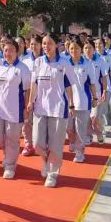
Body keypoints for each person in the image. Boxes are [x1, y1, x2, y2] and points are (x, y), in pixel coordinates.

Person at [27, 34, 73, 188]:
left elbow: (69, 86)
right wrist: (30, 101)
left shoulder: (64, 63)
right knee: (37, 143)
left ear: (56, 45)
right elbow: (34, 84)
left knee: (55, 144)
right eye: (44, 43)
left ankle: (53, 173)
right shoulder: (38, 62)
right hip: (40, 108)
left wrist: (71, 104)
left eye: (49, 43)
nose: (46, 46)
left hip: (58, 108)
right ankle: (46, 161)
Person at [0, 40, 31, 179]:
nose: (8, 53)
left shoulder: (23, 69)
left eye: (11, 50)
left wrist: (26, 108)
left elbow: (27, 90)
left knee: (12, 139)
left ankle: (10, 165)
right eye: (6, 50)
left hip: (15, 110)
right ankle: (8, 156)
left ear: (17, 52)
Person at [64, 36, 98, 163]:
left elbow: (92, 83)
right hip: (66, 101)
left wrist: (95, 98)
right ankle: (72, 141)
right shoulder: (65, 63)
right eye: (71, 48)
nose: (74, 51)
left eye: (77, 48)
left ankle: (79, 152)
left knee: (80, 129)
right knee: (68, 127)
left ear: (81, 49)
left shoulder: (87, 64)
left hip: (83, 101)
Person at [19, 35, 42, 156]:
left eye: (36, 44)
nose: (34, 46)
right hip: (27, 94)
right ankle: (28, 144)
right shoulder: (25, 60)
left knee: (40, 122)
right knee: (27, 120)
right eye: (32, 44)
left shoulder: (45, 59)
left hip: (42, 95)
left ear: (41, 45)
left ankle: (42, 144)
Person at [83, 41, 109, 145]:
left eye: (90, 48)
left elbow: (104, 77)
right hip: (84, 94)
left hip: (97, 94)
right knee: (87, 117)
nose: (87, 50)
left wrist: (104, 91)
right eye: (85, 48)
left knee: (95, 116)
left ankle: (99, 133)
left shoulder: (100, 60)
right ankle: (88, 135)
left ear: (94, 49)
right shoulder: (80, 61)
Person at [95, 37, 111, 129]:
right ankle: (99, 127)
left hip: (106, 87)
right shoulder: (91, 56)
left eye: (100, 43)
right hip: (94, 87)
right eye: (96, 44)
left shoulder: (109, 57)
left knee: (103, 107)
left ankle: (102, 127)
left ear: (104, 45)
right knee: (96, 109)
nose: (98, 45)